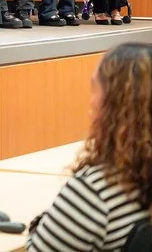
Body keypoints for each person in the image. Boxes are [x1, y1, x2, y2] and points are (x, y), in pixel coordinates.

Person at [27, 43, 152, 251]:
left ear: (113, 104)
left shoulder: (96, 192)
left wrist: (43, 225)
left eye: (94, 87)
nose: (90, 101)